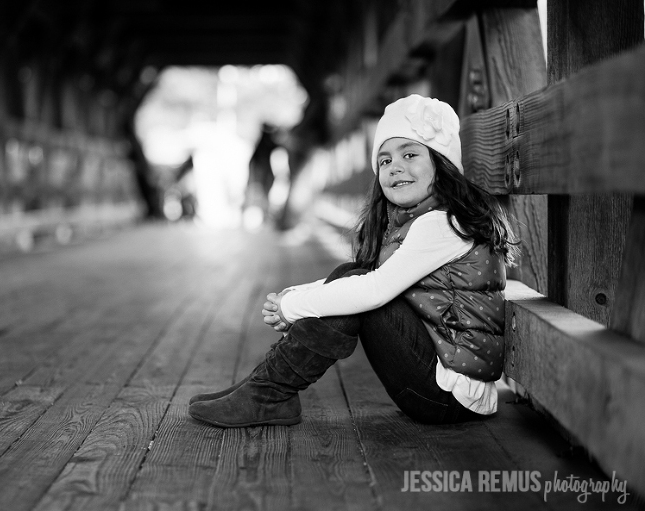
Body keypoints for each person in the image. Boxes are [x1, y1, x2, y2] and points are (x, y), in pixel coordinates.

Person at [188, 94, 519, 428]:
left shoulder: (443, 224)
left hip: (449, 397)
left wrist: (296, 306)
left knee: (363, 293)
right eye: (385, 161)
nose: (395, 166)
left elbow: (372, 290)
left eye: (410, 154)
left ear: (442, 162)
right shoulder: (413, 220)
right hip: (439, 381)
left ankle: (270, 392)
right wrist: (297, 297)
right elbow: (365, 280)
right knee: (355, 276)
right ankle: (267, 387)